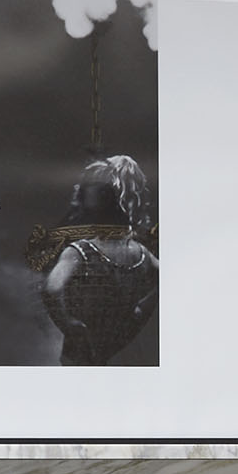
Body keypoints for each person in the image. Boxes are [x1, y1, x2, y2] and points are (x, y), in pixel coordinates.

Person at [27, 155, 159, 366]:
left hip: (81, 356)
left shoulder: (80, 252)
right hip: (120, 353)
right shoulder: (142, 254)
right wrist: (141, 310)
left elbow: (51, 288)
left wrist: (69, 324)